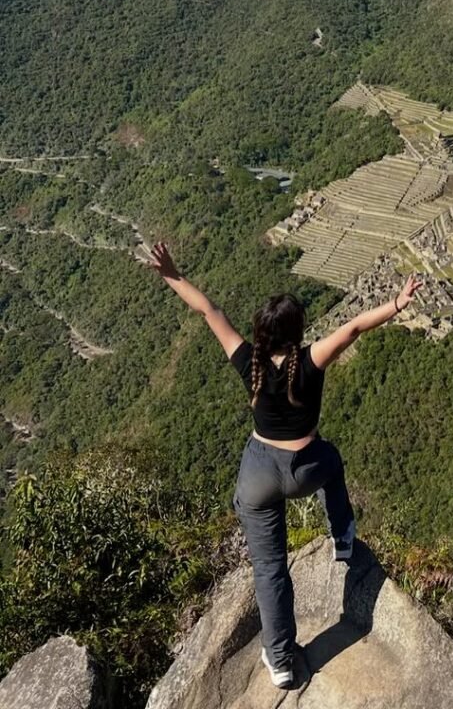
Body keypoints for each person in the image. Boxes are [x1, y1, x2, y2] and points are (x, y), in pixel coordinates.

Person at [139, 240, 422, 689]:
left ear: (262, 333)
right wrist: (396, 303)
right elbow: (352, 329)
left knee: (270, 570)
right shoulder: (309, 361)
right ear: (296, 332)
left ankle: (282, 661)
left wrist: (171, 274)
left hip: (258, 476)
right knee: (333, 461)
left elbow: (208, 310)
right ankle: (343, 537)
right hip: (306, 467)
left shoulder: (247, 360)